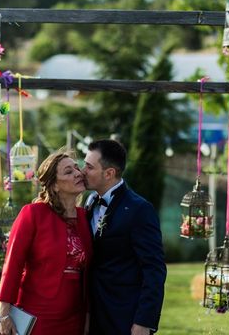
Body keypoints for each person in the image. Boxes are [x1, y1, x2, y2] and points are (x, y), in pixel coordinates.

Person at [0, 150, 92, 335]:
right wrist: (4, 313)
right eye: (68, 171)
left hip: (75, 317)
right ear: (55, 185)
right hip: (37, 315)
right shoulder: (33, 214)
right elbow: (13, 264)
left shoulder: (85, 217)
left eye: (77, 168)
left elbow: (89, 273)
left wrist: (88, 317)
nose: (78, 173)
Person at [83, 139, 167, 335]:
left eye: (89, 167)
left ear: (109, 173)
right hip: (91, 316)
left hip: (124, 318)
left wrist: (144, 321)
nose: (82, 171)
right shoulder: (88, 202)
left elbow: (154, 269)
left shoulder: (139, 209)